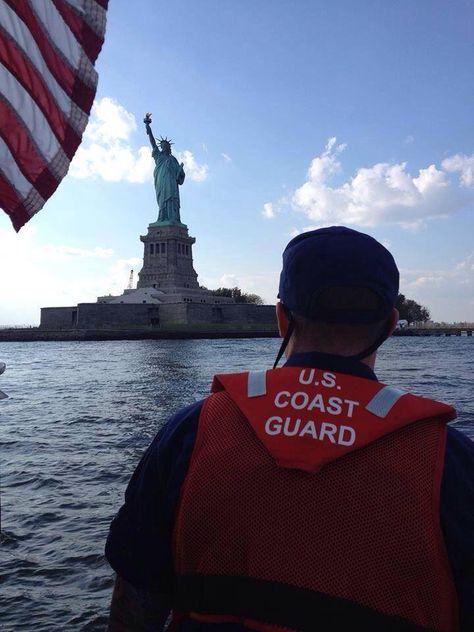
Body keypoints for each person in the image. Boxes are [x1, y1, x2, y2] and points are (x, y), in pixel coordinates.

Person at [105, 226, 474, 631]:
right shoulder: (448, 461)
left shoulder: (191, 432)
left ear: (282, 319)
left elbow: (135, 603)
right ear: (389, 326)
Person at [144, 113, 185, 224]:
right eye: (163, 146)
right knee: (163, 201)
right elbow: (152, 141)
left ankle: (174, 219)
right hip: (162, 183)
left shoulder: (173, 159)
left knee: (173, 200)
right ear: (161, 147)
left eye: (167, 146)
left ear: (169, 147)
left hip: (172, 184)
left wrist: (181, 170)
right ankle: (162, 218)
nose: (165, 147)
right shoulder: (159, 155)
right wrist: (148, 125)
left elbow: (179, 177)